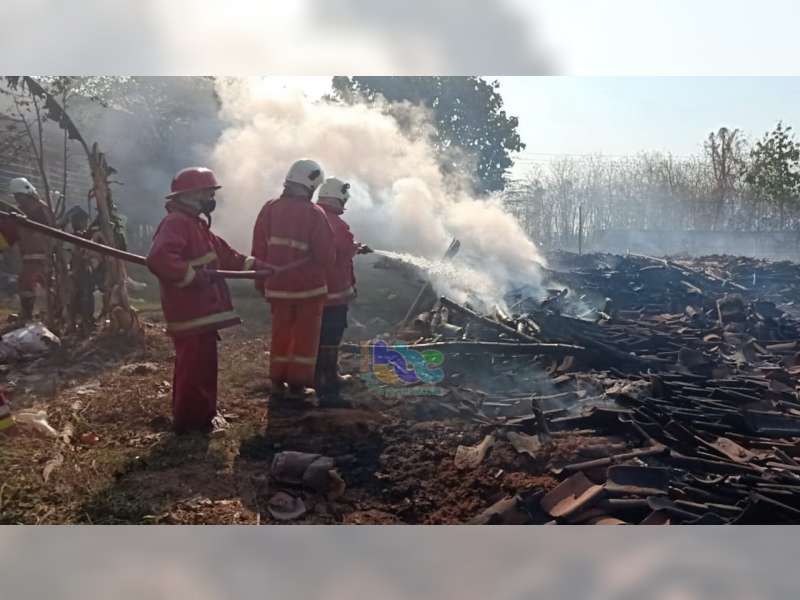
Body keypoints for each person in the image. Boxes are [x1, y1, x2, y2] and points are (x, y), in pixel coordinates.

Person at [146, 167, 263, 434]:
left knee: (204, 366)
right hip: (189, 310)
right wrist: (191, 276)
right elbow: (159, 258)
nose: (211, 197)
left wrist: (255, 265)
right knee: (193, 369)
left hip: (202, 312)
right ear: (190, 195)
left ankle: (204, 416)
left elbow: (224, 253)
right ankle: (189, 424)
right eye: (207, 192)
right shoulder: (176, 222)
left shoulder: (195, 224)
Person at [251, 159, 335, 404]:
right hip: (308, 289)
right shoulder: (314, 213)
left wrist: (261, 282)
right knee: (305, 337)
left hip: (277, 287)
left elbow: (258, 248)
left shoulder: (269, 208)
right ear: (310, 186)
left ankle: (277, 382)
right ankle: (297, 386)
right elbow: (326, 256)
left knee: (281, 334)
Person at [314, 177, 372, 408]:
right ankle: (327, 381)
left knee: (322, 336)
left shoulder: (317, 216)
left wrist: (356, 247)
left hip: (321, 290)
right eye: (342, 200)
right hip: (333, 292)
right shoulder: (335, 223)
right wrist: (355, 247)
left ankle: (324, 374)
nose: (343, 205)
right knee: (330, 336)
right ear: (335, 199)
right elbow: (342, 246)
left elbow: (339, 247)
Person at [8, 178, 54, 321]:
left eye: (19, 196)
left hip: (43, 255)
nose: (18, 200)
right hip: (27, 255)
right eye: (16, 197)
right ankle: (27, 315)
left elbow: (48, 231)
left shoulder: (41, 209)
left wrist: (26, 222)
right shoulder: (19, 211)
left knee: (50, 286)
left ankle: (56, 315)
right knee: (25, 284)